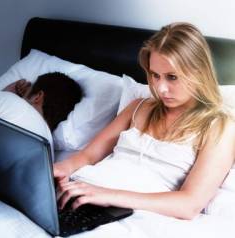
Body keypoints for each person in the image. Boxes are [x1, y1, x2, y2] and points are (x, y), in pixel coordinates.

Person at [54, 23, 235, 220]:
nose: (160, 88)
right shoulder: (138, 107)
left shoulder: (220, 127)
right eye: (155, 75)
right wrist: (58, 169)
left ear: (199, 71)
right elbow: (88, 156)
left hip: (125, 212)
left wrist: (106, 195)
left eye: (172, 77)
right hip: (83, 192)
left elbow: (189, 204)